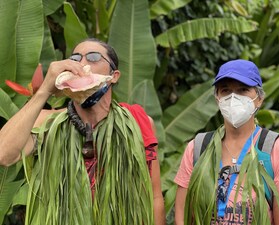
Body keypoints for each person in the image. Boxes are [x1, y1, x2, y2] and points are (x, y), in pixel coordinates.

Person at [0, 38, 165, 225]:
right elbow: (3, 154)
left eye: (93, 57)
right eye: (75, 58)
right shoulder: (48, 123)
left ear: (114, 76)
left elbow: (154, 196)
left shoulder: (136, 122)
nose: (81, 64)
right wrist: (45, 90)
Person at [174, 59, 279, 225]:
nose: (233, 98)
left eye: (243, 90)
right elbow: (183, 217)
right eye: (225, 90)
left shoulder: (277, 150)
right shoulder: (198, 148)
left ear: (259, 98)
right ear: (217, 98)